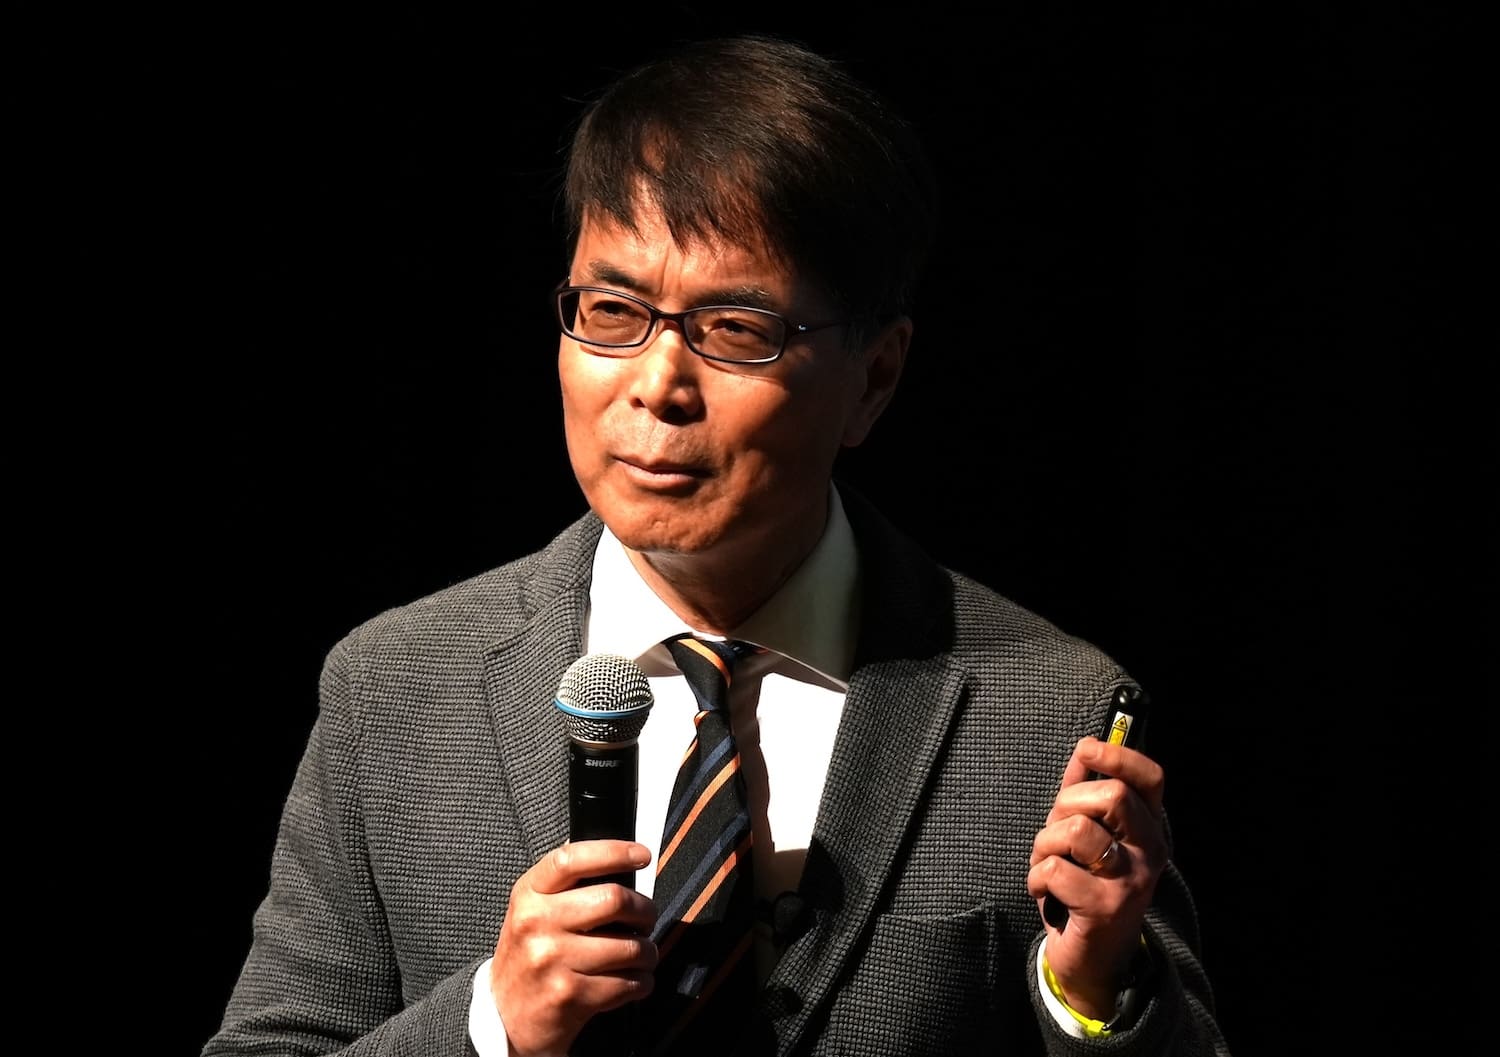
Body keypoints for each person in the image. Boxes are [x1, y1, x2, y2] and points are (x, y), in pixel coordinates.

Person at [203, 33, 1232, 1057]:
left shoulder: (1047, 711)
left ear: (874, 376)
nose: (657, 385)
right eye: (611, 313)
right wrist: (491, 1025)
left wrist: (1091, 994)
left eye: (735, 329)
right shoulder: (396, 686)